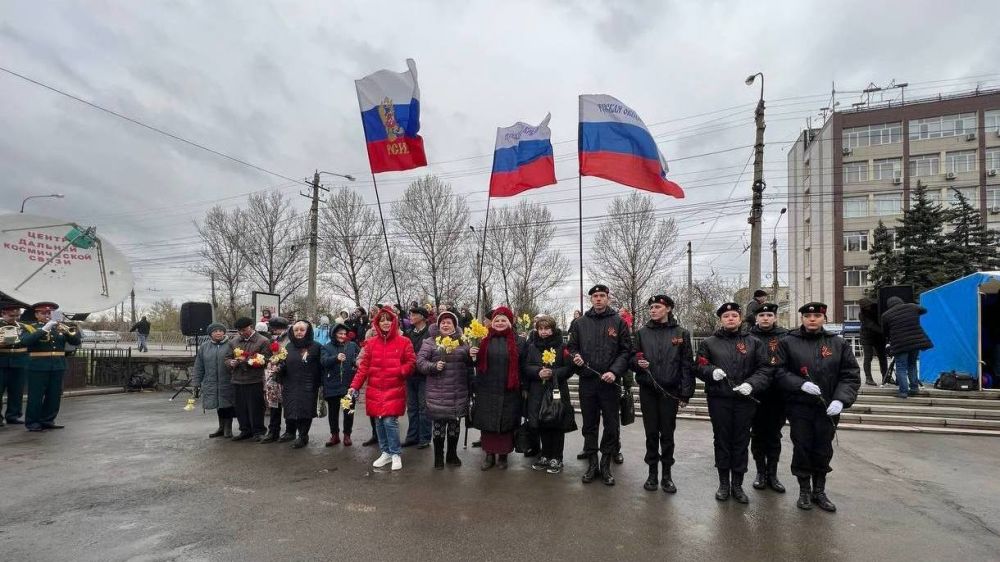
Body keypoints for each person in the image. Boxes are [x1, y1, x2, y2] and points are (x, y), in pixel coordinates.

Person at [776, 302, 861, 512]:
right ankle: (804, 490)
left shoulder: (838, 343)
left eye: (816, 316)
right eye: (807, 316)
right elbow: (778, 372)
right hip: (800, 406)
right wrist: (800, 384)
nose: (812, 319)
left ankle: (819, 491)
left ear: (824, 318)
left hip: (828, 408)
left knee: (823, 448)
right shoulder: (788, 342)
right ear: (802, 319)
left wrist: (840, 399)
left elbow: (850, 374)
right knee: (802, 447)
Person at [695, 303, 772, 504]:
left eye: (734, 315)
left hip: (745, 401)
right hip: (719, 399)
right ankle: (723, 483)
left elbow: (765, 369)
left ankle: (737, 484)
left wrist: (752, 384)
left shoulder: (754, 342)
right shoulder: (710, 343)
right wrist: (711, 371)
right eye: (726, 316)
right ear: (721, 319)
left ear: (740, 319)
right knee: (721, 439)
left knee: (740, 440)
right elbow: (699, 366)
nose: (730, 318)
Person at [568, 284, 632, 486]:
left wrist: (614, 371)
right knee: (589, 424)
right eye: (595, 296)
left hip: (610, 383)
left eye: (602, 295)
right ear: (591, 299)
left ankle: (605, 464)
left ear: (608, 298)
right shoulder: (580, 323)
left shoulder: (618, 322)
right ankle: (592, 463)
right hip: (588, 382)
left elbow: (625, 351)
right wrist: (575, 357)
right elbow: (572, 347)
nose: (598, 299)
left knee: (611, 425)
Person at [632, 295, 694, 493]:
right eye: (651, 307)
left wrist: (685, 393)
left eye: (657, 307)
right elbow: (632, 358)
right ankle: (652, 473)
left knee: (667, 433)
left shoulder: (680, 333)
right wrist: (637, 363)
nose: (653, 310)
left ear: (668, 309)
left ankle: (667, 474)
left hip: (670, 390)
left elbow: (687, 364)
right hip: (648, 390)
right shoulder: (642, 333)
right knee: (651, 432)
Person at [349, 307, 416, 471]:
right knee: (379, 422)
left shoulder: (404, 341)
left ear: (394, 322)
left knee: (389, 421)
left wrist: (400, 371)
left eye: (389, 319)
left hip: (394, 388)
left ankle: (395, 453)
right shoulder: (371, 344)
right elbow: (363, 368)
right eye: (382, 319)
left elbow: (411, 362)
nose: (386, 322)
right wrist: (354, 386)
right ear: (377, 323)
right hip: (375, 389)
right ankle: (385, 452)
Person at [470, 306, 526, 471]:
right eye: (497, 320)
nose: (500, 323)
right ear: (491, 323)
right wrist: (471, 355)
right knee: (487, 423)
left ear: (510, 323)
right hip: (486, 388)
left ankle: (503, 456)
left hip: (510, 389)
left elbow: (523, 365)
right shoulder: (482, 339)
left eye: (503, 320)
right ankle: (489, 455)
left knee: (506, 423)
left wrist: (524, 387)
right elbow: (474, 364)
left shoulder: (518, 341)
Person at [416, 311, 472, 469]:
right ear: (438, 325)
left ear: (455, 325)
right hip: (437, 392)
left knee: (454, 426)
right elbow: (420, 362)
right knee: (439, 426)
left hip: (458, 391)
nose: (446, 325)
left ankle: (452, 455)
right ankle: (439, 457)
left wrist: (473, 354)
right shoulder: (430, 341)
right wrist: (434, 366)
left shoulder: (463, 341)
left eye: (449, 322)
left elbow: (470, 363)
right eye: (443, 322)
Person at [524, 314, 577, 475]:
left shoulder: (562, 346)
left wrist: (553, 373)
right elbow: (526, 367)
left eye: (547, 328)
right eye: (540, 329)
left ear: (553, 329)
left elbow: (569, 368)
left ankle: (557, 457)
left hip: (556, 391)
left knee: (556, 423)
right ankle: (545, 454)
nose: (544, 332)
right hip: (538, 391)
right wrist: (538, 372)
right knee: (542, 423)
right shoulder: (532, 346)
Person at [18, 302, 81, 432]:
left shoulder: (59, 328)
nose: (47, 315)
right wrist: (44, 329)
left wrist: (68, 331)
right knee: (36, 396)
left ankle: (48, 420)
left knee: (54, 395)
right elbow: (26, 341)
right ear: (36, 314)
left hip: (57, 365)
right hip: (38, 366)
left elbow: (76, 342)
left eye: (49, 313)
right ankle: (33, 422)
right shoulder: (30, 327)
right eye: (43, 313)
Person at [748, 303, 789, 493]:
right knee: (757, 435)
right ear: (756, 318)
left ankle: (772, 474)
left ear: (775, 317)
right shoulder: (747, 336)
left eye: (769, 314)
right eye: (762, 314)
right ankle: (760, 472)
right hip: (755, 394)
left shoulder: (786, 336)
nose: (765, 318)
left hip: (777, 394)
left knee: (774, 435)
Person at [274, 321, 322, 449]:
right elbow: (284, 363)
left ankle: (303, 435)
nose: (299, 332)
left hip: (308, 384)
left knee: (305, 411)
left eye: (302, 330)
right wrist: (279, 368)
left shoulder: (316, 347)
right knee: (290, 408)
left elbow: (321, 366)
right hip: (290, 383)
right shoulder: (288, 346)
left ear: (308, 331)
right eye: (296, 330)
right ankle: (290, 432)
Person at [225, 317, 271, 441]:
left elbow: (266, 360)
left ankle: (258, 431)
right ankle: (245, 430)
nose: (241, 332)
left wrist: (248, 360)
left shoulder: (263, 341)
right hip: (237, 379)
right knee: (240, 408)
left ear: (251, 327)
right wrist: (231, 362)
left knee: (255, 407)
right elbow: (227, 358)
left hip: (255, 379)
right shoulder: (233, 342)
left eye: (244, 329)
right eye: (239, 330)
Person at [881, 296, 933, 399]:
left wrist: (889, 341)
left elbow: (885, 332)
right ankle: (914, 388)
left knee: (901, 367)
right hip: (915, 342)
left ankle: (903, 392)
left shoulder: (886, 315)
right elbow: (924, 310)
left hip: (900, 343)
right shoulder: (912, 307)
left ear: (889, 305)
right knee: (912, 364)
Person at [191, 322, 235, 438]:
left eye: (220, 331)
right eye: (215, 331)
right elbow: (199, 366)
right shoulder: (204, 347)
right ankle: (221, 427)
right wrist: (196, 382)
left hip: (227, 381)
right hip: (211, 381)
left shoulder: (231, 345)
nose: (218, 333)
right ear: (210, 334)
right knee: (218, 404)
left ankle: (228, 428)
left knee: (227, 404)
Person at [402, 307, 437, 449]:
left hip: (424, 375)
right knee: (412, 407)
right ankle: (412, 436)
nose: (411, 316)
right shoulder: (408, 333)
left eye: (414, 314)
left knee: (424, 408)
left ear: (422, 317)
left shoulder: (430, 333)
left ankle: (424, 438)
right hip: (410, 375)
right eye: (410, 314)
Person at [320, 324, 360, 447]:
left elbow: (359, 358)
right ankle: (334, 435)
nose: (343, 336)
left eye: (344, 334)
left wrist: (357, 363)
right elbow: (324, 362)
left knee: (348, 411)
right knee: (333, 412)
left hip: (347, 386)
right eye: (340, 333)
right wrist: (335, 358)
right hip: (332, 385)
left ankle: (347, 435)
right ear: (334, 334)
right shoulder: (326, 347)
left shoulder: (352, 346)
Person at [260, 317, 290, 443]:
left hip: (287, 376)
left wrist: (280, 365)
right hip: (274, 376)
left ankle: (289, 431)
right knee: (274, 404)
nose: (272, 330)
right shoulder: (274, 339)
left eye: (273, 328)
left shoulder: (290, 339)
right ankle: (273, 431)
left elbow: (289, 356)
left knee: (287, 405)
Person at [0, 301, 29, 426]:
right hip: (1, 362)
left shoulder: (24, 327)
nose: (15, 318)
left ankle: (13, 415)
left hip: (19, 362)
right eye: (12, 316)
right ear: (3, 313)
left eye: (18, 316)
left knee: (16, 391)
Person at [858, 298, 889, 386]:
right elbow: (871, 325)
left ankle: (885, 377)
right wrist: (884, 331)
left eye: (868, 306)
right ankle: (868, 378)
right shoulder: (862, 315)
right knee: (868, 357)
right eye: (865, 307)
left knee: (882, 357)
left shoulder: (878, 309)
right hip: (866, 337)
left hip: (879, 337)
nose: (867, 308)